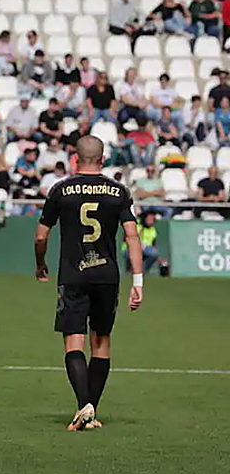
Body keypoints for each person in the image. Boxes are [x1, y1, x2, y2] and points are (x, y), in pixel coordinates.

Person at [35, 134, 143, 431]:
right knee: (102, 343)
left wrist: (40, 263)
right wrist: (139, 280)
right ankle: (90, 410)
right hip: (107, 276)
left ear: (75, 159)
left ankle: (84, 406)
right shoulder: (118, 191)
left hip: (73, 275)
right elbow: (132, 235)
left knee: (74, 342)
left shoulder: (60, 189)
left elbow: (41, 235)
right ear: (104, 159)